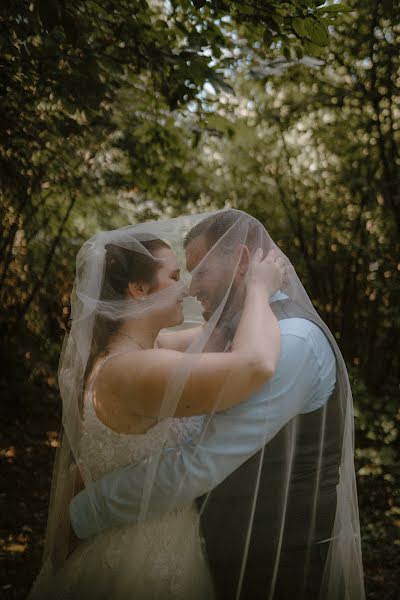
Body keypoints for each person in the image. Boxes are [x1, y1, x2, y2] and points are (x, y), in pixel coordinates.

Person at [69, 209, 365, 600]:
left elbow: (199, 461)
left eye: (198, 272)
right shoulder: (231, 330)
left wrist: (82, 512)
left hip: (278, 561)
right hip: (199, 553)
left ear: (242, 263)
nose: (190, 288)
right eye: (179, 275)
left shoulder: (291, 341)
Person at [28, 223, 286, 600]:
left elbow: (210, 337)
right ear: (138, 289)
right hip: (141, 562)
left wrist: (234, 291)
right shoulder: (134, 370)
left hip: (132, 542)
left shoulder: (125, 352)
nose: (187, 287)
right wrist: (261, 290)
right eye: (175, 275)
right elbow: (256, 365)